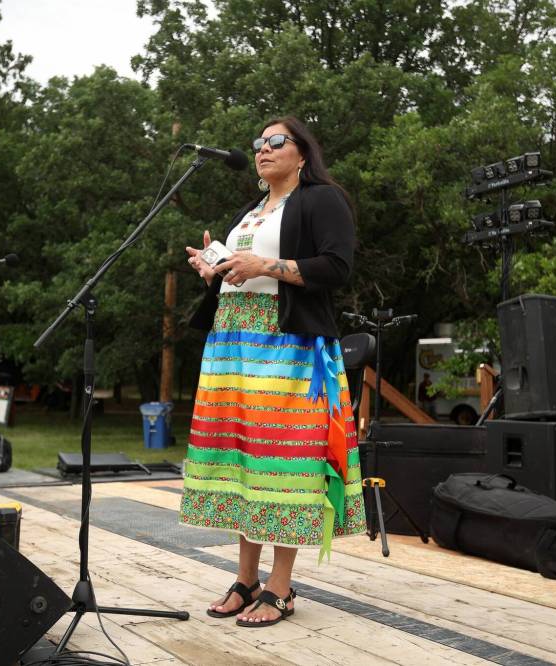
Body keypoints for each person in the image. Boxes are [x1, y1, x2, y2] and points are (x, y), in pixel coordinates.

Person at [179, 116, 366, 627]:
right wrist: (214, 271)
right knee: (243, 460)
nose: (263, 148)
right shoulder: (251, 210)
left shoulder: (321, 198)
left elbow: (337, 267)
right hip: (233, 344)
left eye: (276, 141)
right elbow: (242, 273)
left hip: (286, 345)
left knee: (283, 464)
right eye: (259, 142)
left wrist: (263, 267)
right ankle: (246, 580)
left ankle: (280, 587)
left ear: (302, 153)